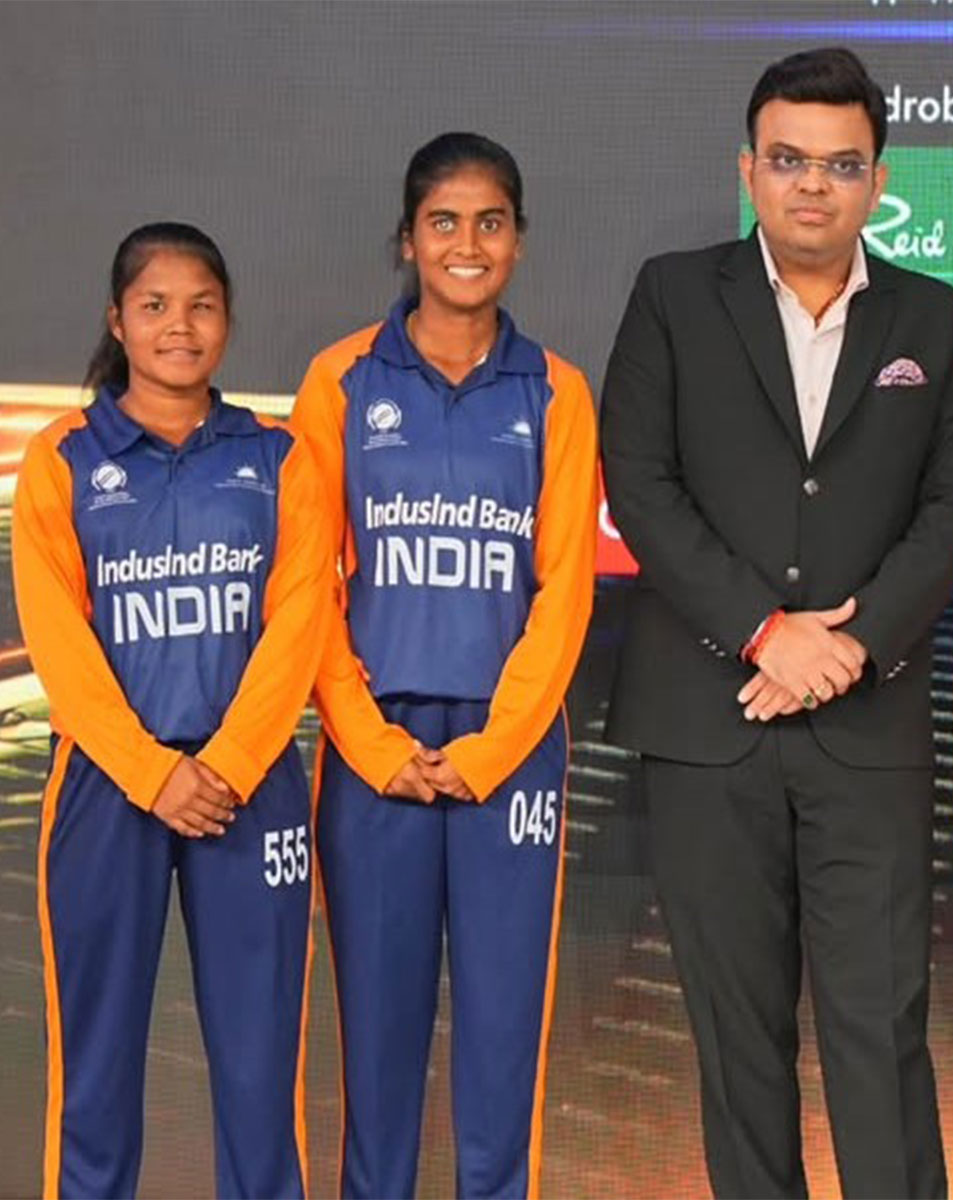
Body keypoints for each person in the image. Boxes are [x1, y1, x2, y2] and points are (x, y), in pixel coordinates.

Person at [600, 46, 953, 1199]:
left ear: (878, 180)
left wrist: (852, 646)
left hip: (863, 731)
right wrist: (768, 634)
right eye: (787, 161)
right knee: (739, 1042)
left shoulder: (932, 313)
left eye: (839, 164)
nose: (811, 185)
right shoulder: (673, 293)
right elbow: (641, 485)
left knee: (880, 1029)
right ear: (748, 169)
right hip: (706, 721)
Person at [289, 132, 597, 1199]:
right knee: (376, 1047)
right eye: (444, 222)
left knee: (503, 1042)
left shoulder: (556, 390)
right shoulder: (338, 379)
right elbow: (307, 593)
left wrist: (492, 749)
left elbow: (564, 593)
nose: (467, 244)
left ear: (517, 240)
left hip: (506, 760)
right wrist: (374, 748)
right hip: (373, 756)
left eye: (490, 222)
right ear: (408, 238)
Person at [15, 223, 332, 1199]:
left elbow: (298, 625)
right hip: (110, 793)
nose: (179, 327)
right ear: (118, 321)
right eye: (154, 306)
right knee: (97, 1072)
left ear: (228, 323)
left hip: (250, 791)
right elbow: (62, 651)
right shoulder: (63, 463)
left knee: (257, 1070)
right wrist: (154, 775)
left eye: (201, 306)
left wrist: (227, 766)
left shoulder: (279, 459)